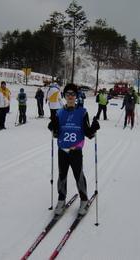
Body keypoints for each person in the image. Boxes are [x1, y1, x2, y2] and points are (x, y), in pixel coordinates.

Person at [48, 83, 100, 216]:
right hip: (62, 150)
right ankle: (61, 199)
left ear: (76, 96)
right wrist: (52, 126)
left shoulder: (82, 112)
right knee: (62, 176)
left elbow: (88, 134)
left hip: (76, 150)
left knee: (79, 176)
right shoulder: (59, 113)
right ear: (64, 96)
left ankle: (84, 199)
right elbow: (56, 134)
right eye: (68, 94)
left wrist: (94, 127)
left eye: (73, 94)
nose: (70, 96)